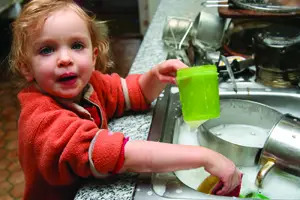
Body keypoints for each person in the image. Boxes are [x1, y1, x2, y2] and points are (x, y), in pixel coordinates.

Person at [9, 0, 242, 199]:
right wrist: (203, 156)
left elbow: (130, 93)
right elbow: (119, 155)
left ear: (93, 55)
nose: (65, 59)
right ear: (26, 68)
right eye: (47, 50)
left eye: (77, 45)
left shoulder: (91, 84)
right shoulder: (42, 121)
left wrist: (156, 76)